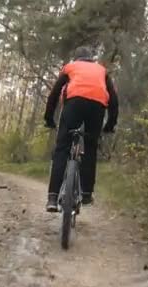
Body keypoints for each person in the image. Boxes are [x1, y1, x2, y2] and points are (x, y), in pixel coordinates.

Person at [44, 46, 119, 212]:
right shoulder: (101, 70)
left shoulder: (71, 67)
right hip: (98, 106)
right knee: (90, 149)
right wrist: (110, 125)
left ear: (76, 59)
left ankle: (52, 197)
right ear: (91, 59)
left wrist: (49, 118)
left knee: (62, 149)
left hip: (74, 103)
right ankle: (86, 193)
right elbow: (113, 99)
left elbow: (55, 93)